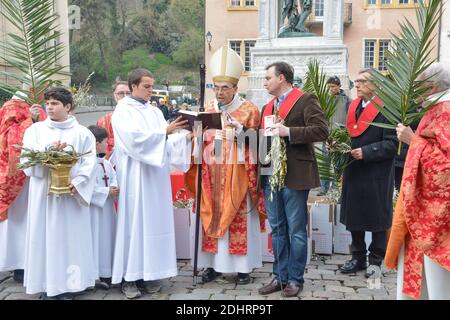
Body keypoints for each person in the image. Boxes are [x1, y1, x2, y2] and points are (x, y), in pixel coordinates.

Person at [185, 46, 266, 285]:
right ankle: (211, 267)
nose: (219, 93)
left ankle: (242, 269)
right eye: (216, 88)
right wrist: (196, 136)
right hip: (210, 174)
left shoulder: (249, 110)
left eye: (225, 88)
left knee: (237, 220)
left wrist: (239, 133)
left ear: (235, 88)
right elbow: (199, 140)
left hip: (237, 175)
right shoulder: (207, 109)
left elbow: (259, 144)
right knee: (210, 217)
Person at [111, 68, 191, 299]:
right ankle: (130, 277)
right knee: (135, 225)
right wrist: (163, 132)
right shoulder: (123, 111)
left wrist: (183, 137)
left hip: (156, 178)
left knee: (154, 225)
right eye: (146, 86)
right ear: (133, 86)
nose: (150, 91)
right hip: (136, 177)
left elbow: (164, 143)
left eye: (151, 86)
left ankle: (151, 273)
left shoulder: (154, 112)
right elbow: (133, 141)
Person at [257, 62, 328, 297]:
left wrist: (290, 132)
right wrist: (241, 132)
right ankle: (280, 276)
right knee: (277, 229)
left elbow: (321, 130)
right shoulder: (267, 107)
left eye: (268, 78)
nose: (265, 82)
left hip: (295, 174)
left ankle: (295, 279)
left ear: (282, 78)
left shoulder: (305, 99)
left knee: (296, 230)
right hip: (271, 175)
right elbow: (263, 142)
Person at [21, 87, 97, 299]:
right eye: (48, 103)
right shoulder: (34, 131)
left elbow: (90, 163)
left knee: (70, 240)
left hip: (70, 197)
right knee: (45, 239)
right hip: (44, 195)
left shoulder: (83, 133)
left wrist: (79, 182)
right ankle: (46, 285)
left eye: (55, 103)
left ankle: (72, 284)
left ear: (68, 107)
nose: (50, 107)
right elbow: (26, 163)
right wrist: (48, 152)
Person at [385, 62, 450, 300]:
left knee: (438, 284)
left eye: (418, 86)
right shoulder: (435, 108)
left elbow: (445, 166)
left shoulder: (445, 110)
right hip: (420, 206)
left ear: (431, 86)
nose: (414, 94)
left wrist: (413, 140)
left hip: (437, 218)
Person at [339, 69, 397, 278]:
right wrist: (338, 145)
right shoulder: (352, 105)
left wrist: (366, 152)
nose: (358, 84)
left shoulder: (387, 108)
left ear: (376, 84)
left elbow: (392, 144)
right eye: (357, 81)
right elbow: (348, 133)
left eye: (363, 81)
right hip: (354, 170)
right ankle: (357, 257)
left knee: (376, 219)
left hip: (376, 173)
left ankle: (375, 260)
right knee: (355, 216)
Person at [0, 87, 47, 283]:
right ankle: (14, 263)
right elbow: (8, 138)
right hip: (16, 174)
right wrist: (32, 120)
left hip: (34, 175)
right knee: (15, 223)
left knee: (30, 221)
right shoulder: (12, 107)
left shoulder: (39, 107)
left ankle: (27, 264)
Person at [87, 125, 119, 290]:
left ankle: (108, 271)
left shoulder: (106, 163)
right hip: (94, 211)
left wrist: (114, 188)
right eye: (106, 142)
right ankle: (95, 273)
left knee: (108, 237)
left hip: (107, 210)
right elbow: (85, 187)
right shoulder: (87, 164)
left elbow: (113, 178)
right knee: (96, 239)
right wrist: (105, 191)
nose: (108, 145)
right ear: (97, 143)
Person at [317, 76, 351, 196]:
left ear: (339, 86)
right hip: (327, 136)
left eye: (333, 86)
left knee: (337, 163)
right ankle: (324, 188)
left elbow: (350, 117)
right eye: (329, 87)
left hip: (340, 136)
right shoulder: (324, 99)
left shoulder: (346, 100)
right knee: (325, 162)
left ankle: (335, 187)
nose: (331, 89)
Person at [96, 81, 130, 159]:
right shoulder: (103, 121)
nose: (125, 96)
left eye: (128, 93)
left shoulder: (140, 119)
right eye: (121, 93)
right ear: (114, 95)